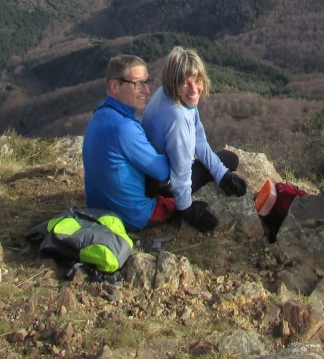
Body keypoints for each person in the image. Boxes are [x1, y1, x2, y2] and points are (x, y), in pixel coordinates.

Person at [142, 46, 248, 234]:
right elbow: (181, 168)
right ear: (174, 82)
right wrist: (186, 207)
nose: (194, 89)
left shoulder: (169, 94)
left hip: (151, 177)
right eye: (185, 83)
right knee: (230, 159)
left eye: (197, 81)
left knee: (225, 161)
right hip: (165, 185)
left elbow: (198, 138)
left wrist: (221, 173)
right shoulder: (177, 117)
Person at [82, 54, 174, 232]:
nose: (147, 91)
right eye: (138, 84)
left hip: (99, 209)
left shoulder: (103, 114)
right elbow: (163, 172)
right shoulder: (123, 128)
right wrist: (180, 151)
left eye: (146, 82)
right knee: (224, 160)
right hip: (134, 217)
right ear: (114, 86)